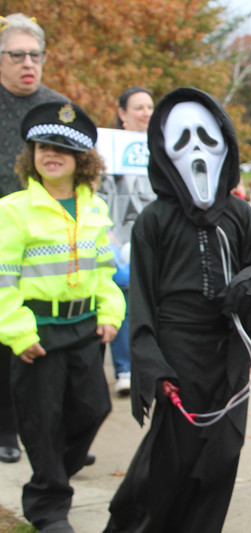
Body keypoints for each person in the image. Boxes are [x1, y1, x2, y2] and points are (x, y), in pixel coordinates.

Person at [104, 87, 251, 533]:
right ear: (163, 149)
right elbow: (139, 299)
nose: (196, 150)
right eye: (182, 139)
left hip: (229, 353)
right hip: (177, 355)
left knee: (221, 455)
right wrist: (152, 366)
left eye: (205, 137)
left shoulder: (239, 215)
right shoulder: (153, 221)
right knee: (173, 459)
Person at [0, 101, 125, 533]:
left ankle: (52, 475)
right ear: (31, 156)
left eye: (62, 149)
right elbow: (2, 279)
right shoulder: (14, 210)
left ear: (81, 160)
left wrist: (111, 313)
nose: (50, 155)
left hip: (85, 328)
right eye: (42, 147)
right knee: (42, 419)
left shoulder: (93, 208)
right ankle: (48, 506)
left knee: (93, 408)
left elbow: (105, 272)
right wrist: (17, 332)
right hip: (37, 331)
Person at [0, 12, 68, 465]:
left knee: (46, 343)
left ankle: (49, 438)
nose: (28, 63)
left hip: (45, 241)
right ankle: (6, 429)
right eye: (17, 54)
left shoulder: (57, 108)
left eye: (36, 55)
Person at [97, 86, 156, 397]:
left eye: (150, 106)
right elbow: (101, 194)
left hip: (156, 240)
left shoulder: (163, 146)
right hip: (119, 240)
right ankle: (125, 368)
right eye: (138, 107)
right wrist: (108, 235)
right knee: (122, 299)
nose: (146, 112)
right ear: (122, 113)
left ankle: (152, 366)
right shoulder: (106, 148)